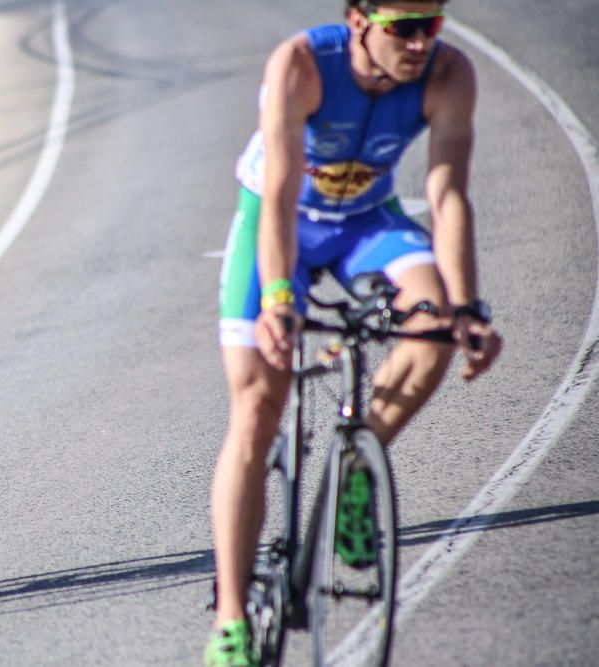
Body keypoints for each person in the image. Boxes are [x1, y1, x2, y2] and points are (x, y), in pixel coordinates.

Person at [207, 1, 502, 663]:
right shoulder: (303, 64)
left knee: (433, 332)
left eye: (433, 25)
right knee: (257, 401)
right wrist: (280, 296)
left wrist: (469, 308)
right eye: (405, 27)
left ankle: (355, 464)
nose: (422, 42)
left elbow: (449, 195)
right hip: (279, 221)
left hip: (368, 223)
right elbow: (280, 190)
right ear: (358, 21)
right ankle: (231, 622)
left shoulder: (450, 74)